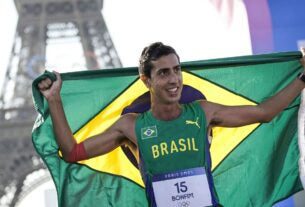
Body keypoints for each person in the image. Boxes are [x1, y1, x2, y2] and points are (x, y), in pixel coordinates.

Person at [38, 42, 305, 207]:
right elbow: (71, 152)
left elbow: (265, 112)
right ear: (146, 80)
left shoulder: (203, 112)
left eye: (177, 69)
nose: (174, 79)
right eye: (163, 73)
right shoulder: (131, 126)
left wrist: (303, 78)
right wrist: (54, 100)